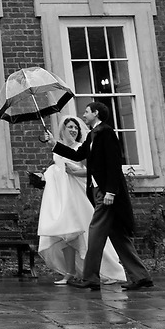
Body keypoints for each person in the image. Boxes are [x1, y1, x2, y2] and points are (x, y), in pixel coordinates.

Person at [41, 100, 154, 291]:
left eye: (87, 111)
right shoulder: (93, 135)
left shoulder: (106, 133)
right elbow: (78, 155)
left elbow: (114, 163)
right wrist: (54, 143)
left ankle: (90, 278)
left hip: (106, 193)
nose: (83, 115)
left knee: (95, 233)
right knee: (118, 236)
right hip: (97, 190)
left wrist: (111, 191)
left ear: (96, 113)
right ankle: (141, 277)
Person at [37, 115, 126, 285]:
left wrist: (74, 172)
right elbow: (56, 170)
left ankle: (107, 271)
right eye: (70, 127)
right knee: (66, 235)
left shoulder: (80, 148)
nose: (73, 130)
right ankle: (70, 272)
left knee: (88, 233)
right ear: (62, 129)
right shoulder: (58, 148)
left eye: (76, 127)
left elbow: (92, 170)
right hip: (63, 197)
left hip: (79, 195)